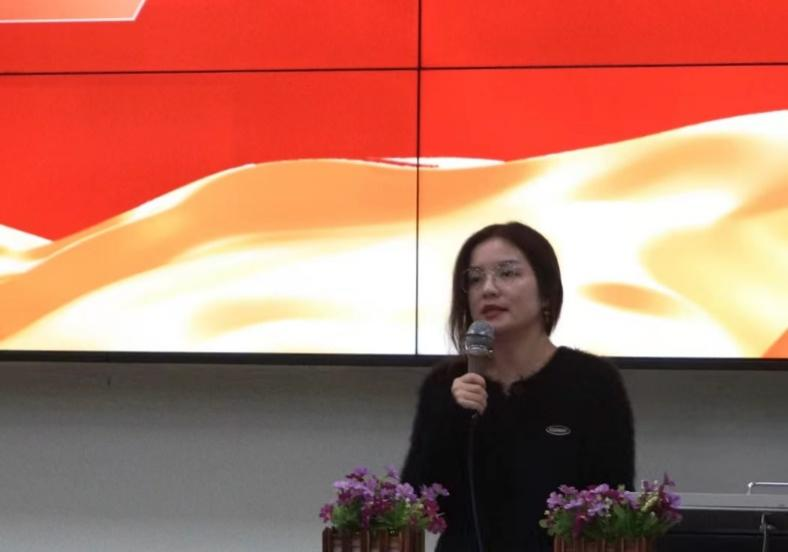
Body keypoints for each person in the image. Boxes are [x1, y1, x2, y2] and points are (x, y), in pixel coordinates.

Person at [402, 222, 635, 552]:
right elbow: (417, 504)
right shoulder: (446, 385)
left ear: (546, 291)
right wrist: (451, 418)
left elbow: (613, 506)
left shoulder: (593, 383)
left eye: (508, 273)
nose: (488, 289)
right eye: (475, 278)